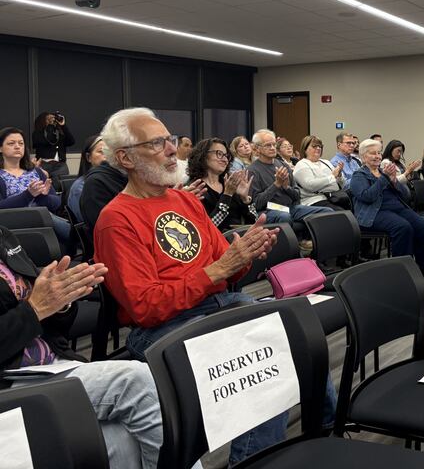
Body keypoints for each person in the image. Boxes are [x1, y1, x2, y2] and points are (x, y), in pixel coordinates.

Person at [92, 107, 304, 465]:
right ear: (125, 158)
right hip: (164, 328)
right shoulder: (116, 220)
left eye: (170, 140)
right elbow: (145, 307)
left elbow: (227, 268)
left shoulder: (184, 200)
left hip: (218, 305)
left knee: (292, 336)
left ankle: (324, 429)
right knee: (257, 374)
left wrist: (243, 257)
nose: (172, 149)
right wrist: (217, 270)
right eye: (157, 143)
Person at [0, 226, 164, 469]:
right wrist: (35, 310)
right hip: (10, 385)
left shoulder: (3, 235)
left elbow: (51, 323)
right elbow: (33, 310)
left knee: (124, 437)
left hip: (49, 363)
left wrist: (61, 302)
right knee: (136, 380)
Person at [351, 139, 424, 275]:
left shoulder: (384, 173)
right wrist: (385, 178)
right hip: (375, 213)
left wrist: (394, 180)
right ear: (363, 157)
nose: (377, 156)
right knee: (403, 228)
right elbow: (367, 197)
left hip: (397, 209)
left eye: (379, 153)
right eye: (373, 153)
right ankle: (401, 271)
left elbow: (406, 196)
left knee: (423, 225)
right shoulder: (359, 175)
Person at [0, 127, 72, 249]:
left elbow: (56, 203)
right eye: (11, 143)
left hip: (43, 221)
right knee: (45, 218)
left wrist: (42, 196)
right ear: (0, 148)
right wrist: (28, 195)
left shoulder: (36, 171)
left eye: (21, 143)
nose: (17, 146)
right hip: (12, 222)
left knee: (47, 217)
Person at [248, 129, 332, 226]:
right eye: (268, 145)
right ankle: (295, 240)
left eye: (274, 144)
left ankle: (314, 240)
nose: (272, 148)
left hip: (289, 207)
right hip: (268, 210)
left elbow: (297, 195)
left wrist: (286, 187)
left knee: (327, 211)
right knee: (284, 216)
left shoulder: (283, 165)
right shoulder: (252, 170)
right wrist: (276, 185)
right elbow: (257, 204)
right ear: (257, 148)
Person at [188, 138, 257, 232]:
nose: (225, 160)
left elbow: (255, 223)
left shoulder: (230, 184)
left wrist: (245, 200)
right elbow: (208, 228)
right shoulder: (195, 188)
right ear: (203, 156)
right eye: (219, 154)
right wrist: (227, 195)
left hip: (239, 240)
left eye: (226, 156)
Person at [294, 135, 349, 210]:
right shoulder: (302, 164)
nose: (318, 148)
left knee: (354, 207)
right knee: (342, 214)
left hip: (335, 197)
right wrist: (332, 177)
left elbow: (342, 184)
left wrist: (339, 175)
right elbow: (310, 185)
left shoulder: (326, 162)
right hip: (315, 200)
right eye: (314, 146)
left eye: (320, 146)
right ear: (305, 149)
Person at [67, 134, 106, 223]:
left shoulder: (114, 181)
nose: (106, 156)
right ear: (88, 157)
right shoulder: (80, 187)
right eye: (101, 152)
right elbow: (87, 222)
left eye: (109, 152)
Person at [31, 111, 74, 179]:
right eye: (49, 119)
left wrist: (63, 126)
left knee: (60, 185)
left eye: (53, 119)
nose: (53, 120)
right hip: (44, 164)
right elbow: (48, 140)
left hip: (60, 165)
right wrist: (50, 126)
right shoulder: (37, 133)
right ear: (42, 121)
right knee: (44, 185)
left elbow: (71, 141)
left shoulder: (59, 133)